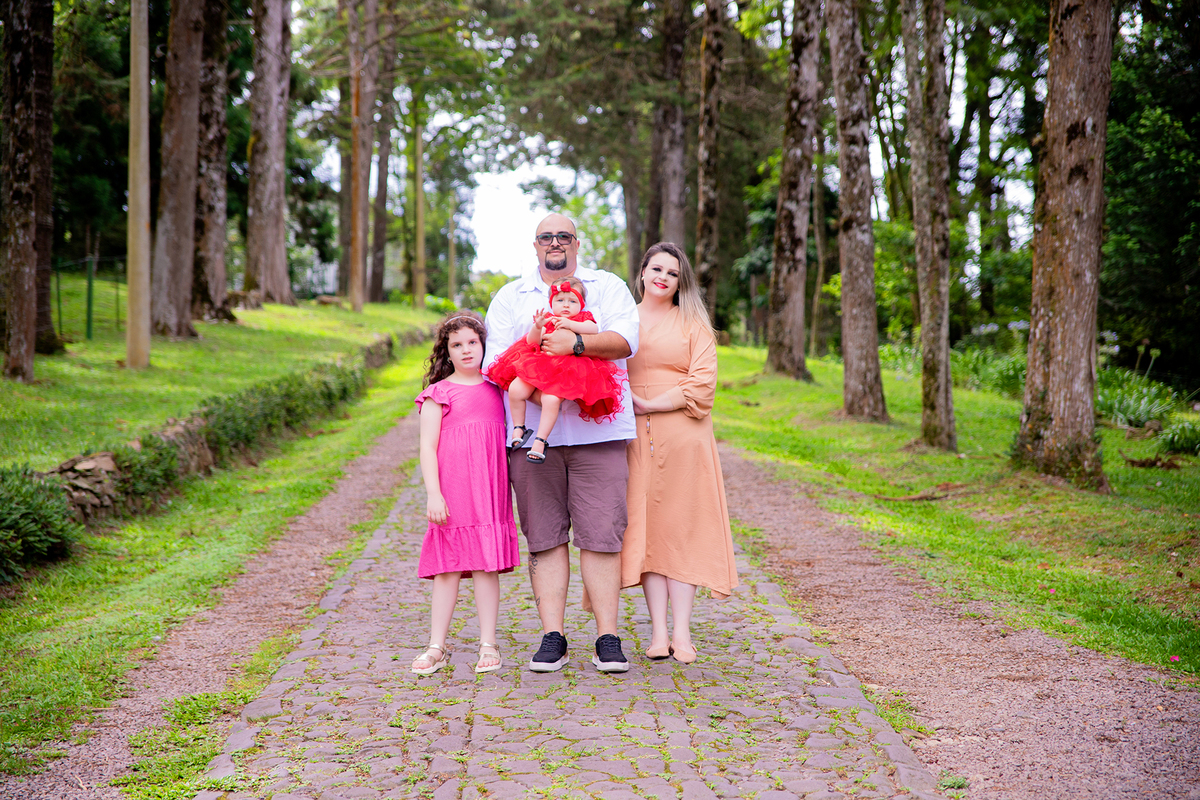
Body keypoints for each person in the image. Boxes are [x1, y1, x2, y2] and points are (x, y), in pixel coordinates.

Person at [484, 213, 639, 673]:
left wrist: (571, 346)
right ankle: (553, 635)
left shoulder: (607, 286)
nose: (555, 243)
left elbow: (624, 339)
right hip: (532, 436)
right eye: (546, 237)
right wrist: (537, 363)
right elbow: (496, 362)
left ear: (576, 243)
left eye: (563, 236)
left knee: (602, 534)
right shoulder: (511, 297)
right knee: (545, 536)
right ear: (535, 246)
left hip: (599, 434)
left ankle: (607, 637)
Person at [621, 242, 737, 664]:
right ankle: (657, 632)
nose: (662, 277)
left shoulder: (694, 323)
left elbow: (703, 384)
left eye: (672, 272)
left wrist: (653, 403)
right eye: (656, 268)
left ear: (680, 281)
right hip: (632, 435)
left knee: (681, 528)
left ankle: (683, 633)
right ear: (642, 273)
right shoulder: (622, 319)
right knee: (648, 530)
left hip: (683, 432)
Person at [410, 311, 520, 676]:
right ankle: (435, 645)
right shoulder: (438, 394)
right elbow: (427, 447)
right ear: (447, 352)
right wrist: (433, 494)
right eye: (457, 345)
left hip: (487, 491)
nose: (467, 350)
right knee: (448, 569)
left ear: (484, 345)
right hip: (452, 493)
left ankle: (489, 642)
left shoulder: (498, 391)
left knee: (486, 565)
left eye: (473, 342)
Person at [486, 275, 625, 463]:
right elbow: (531, 342)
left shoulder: (583, 318)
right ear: (552, 303)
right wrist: (537, 327)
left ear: (581, 304)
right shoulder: (549, 320)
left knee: (551, 400)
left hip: (566, 372)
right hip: (540, 367)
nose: (566, 305)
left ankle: (541, 440)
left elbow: (593, 329)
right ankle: (519, 427)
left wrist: (571, 324)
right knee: (516, 389)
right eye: (560, 300)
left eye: (572, 301)